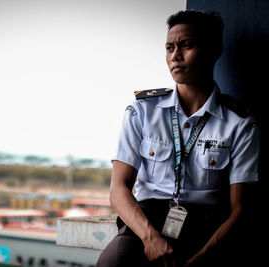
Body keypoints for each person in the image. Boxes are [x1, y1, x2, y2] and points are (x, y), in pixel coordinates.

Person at [96, 10, 260, 267]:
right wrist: (150, 239)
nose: (175, 56)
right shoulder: (142, 111)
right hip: (145, 221)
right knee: (112, 263)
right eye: (169, 48)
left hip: (208, 227)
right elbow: (118, 189)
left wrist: (202, 258)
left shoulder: (239, 123)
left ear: (214, 50)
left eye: (186, 46)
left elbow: (241, 209)